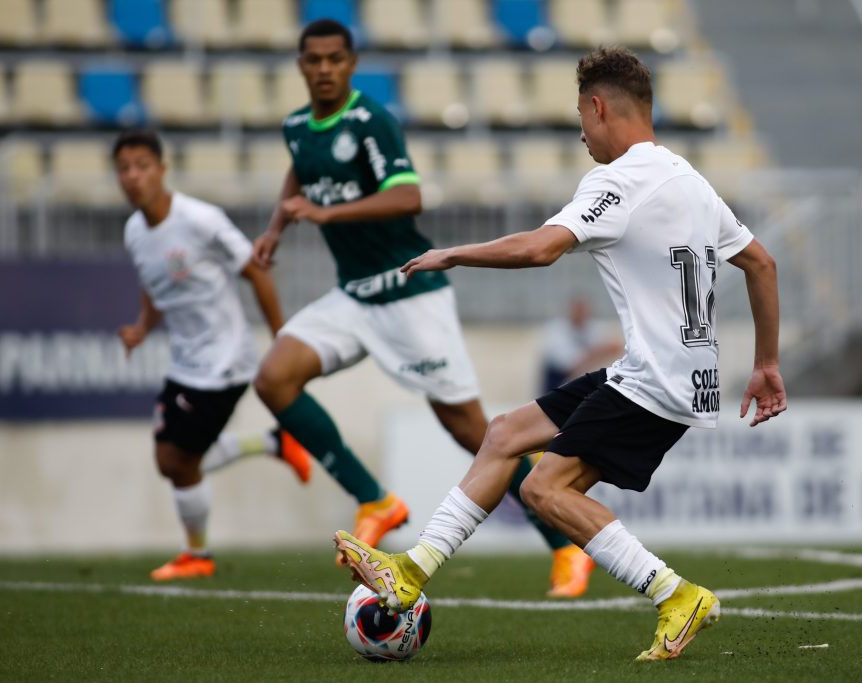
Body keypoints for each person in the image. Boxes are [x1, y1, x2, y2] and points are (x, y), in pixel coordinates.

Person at [335, 46, 787, 662]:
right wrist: (766, 363)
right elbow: (761, 263)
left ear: (599, 107)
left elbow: (539, 248)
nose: (581, 134)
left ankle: (677, 595)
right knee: (504, 434)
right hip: (674, 373)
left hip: (656, 380)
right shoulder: (690, 180)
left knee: (546, 491)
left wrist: (453, 253)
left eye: (581, 116)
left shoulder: (619, 179)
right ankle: (409, 571)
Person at [251, 19, 594, 596]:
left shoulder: (371, 122)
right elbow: (301, 170)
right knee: (273, 378)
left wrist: (327, 214)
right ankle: (376, 500)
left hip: (409, 291)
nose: (325, 69)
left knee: (475, 433)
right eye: (314, 60)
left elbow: (408, 196)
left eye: (336, 59)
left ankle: (565, 546)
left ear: (351, 63)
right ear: (301, 66)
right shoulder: (296, 127)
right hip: (355, 295)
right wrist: (277, 226)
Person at [114, 129, 313, 582]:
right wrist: (143, 328)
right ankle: (274, 442)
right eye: (124, 169)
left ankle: (196, 554)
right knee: (178, 459)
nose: (133, 177)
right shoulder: (134, 232)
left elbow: (257, 272)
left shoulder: (200, 219)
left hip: (225, 360)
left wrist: (282, 337)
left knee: (175, 460)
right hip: (187, 361)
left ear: (162, 171)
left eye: (142, 166)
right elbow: (153, 283)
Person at [540, 296, 624, 393]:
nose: (580, 313)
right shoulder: (556, 330)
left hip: (581, 379)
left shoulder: (592, 327)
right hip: (557, 381)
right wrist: (595, 353)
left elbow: (615, 346)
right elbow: (568, 365)